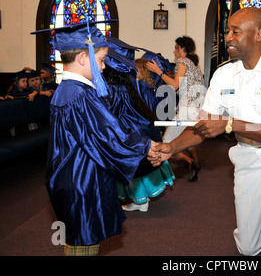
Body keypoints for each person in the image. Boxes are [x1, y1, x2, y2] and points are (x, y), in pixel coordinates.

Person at [150, 7, 261, 256]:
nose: (228, 37)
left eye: (235, 32)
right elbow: (203, 126)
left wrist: (232, 124)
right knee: (248, 248)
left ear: (259, 35)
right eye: (228, 31)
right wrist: (172, 148)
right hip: (248, 153)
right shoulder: (224, 75)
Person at [31, 21, 158, 256]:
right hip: (82, 182)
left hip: (73, 177)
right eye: (101, 60)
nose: (103, 68)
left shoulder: (66, 90)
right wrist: (147, 145)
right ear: (82, 57)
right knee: (83, 246)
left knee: (80, 242)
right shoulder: (80, 95)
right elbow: (108, 134)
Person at [104, 37, 175, 212]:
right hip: (144, 128)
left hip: (133, 132)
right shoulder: (127, 85)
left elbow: (113, 116)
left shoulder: (114, 89)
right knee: (140, 167)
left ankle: (139, 201)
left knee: (133, 167)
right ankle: (141, 201)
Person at [147, 36, 205, 182]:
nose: (174, 51)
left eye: (175, 47)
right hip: (198, 108)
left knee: (165, 143)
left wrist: (157, 71)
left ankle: (190, 162)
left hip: (188, 109)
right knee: (186, 138)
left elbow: (174, 85)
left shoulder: (182, 61)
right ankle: (193, 161)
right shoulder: (194, 65)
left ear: (182, 49)